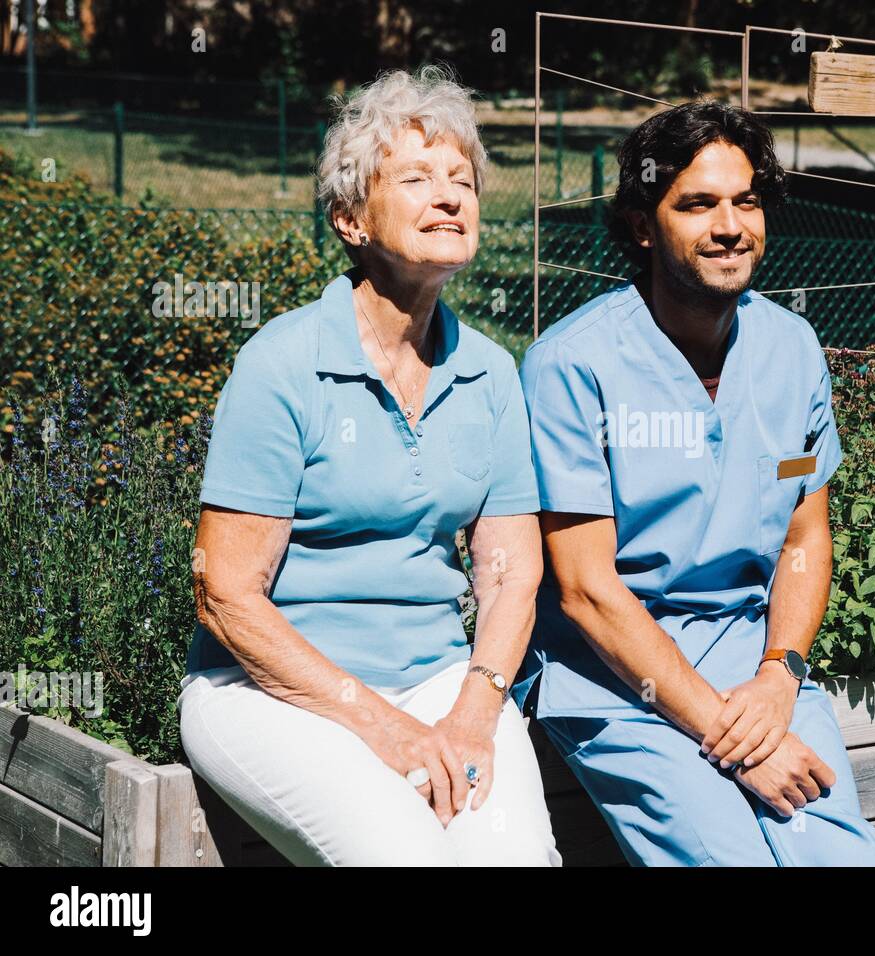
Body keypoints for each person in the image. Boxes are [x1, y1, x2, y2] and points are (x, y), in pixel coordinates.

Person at [177, 64, 561, 866]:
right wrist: (379, 723)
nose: (451, 196)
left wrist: (473, 709)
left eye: (462, 180)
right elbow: (225, 593)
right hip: (267, 694)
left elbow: (509, 575)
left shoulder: (490, 373)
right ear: (351, 219)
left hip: (436, 682)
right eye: (417, 178)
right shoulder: (282, 364)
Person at [515, 100, 875, 866]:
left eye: (745, 201)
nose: (730, 226)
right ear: (644, 225)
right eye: (698, 205)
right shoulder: (573, 365)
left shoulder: (790, 348)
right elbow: (586, 591)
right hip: (618, 683)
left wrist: (780, 675)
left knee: (843, 860)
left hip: (752, 666)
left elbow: (803, 537)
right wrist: (733, 737)